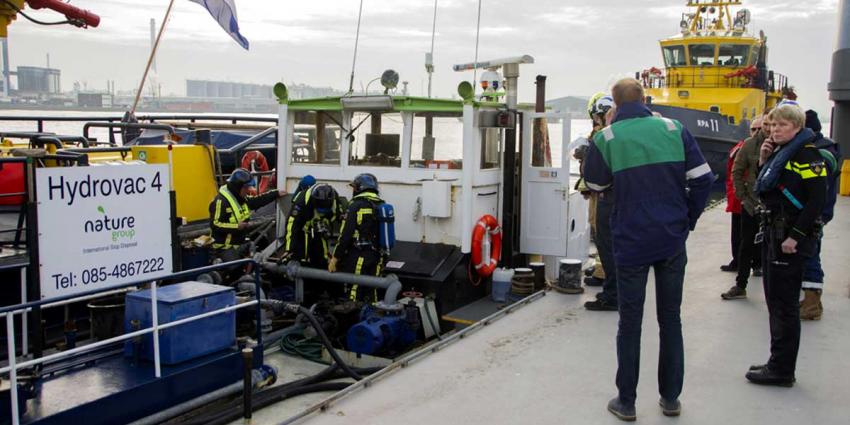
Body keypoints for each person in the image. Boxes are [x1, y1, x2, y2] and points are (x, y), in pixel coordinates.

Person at [584, 78, 713, 420]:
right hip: (671, 238)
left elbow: (595, 183)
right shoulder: (674, 128)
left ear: (614, 104)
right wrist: (687, 219)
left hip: (630, 240)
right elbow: (704, 179)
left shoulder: (607, 137)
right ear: (644, 98)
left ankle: (626, 402)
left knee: (630, 322)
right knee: (670, 318)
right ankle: (670, 398)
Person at [745, 104, 826, 386]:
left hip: (788, 240)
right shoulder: (779, 153)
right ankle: (776, 360)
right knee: (774, 300)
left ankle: (782, 370)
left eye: (781, 126)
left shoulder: (807, 155)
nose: (775, 130)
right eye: (772, 125)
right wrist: (763, 160)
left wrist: (796, 236)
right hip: (773, 235)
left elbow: (815, 201)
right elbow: (766, 188)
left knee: (784, 305)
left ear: (797, 127)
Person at [799, 109, 841, 320]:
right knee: (812, 251)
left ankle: (812, 305)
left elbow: (815, 190)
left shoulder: (820, 155)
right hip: (820, 213)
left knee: (810, 255)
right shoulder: (827, 148)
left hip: (813, 214)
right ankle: (810, 300)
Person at [721, 115, 767, 299]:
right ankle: (741, 283)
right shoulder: (748, 146)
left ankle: (764, 271)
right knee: (745, 242)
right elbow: (735, 171)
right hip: (750, 203)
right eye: (755, 128)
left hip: (774, 204)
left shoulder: (784, 147)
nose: (759, 131)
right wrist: (742, 197)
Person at [328, 173, 387, 302]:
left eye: (354, 188)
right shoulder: (381, 205)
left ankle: (353, 318)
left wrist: (335, 258)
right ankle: (372, 315)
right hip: (377, 256)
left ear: (360, 188)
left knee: (355, 288)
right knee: (372, 288)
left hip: (359, 255)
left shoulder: (355, 205)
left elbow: (346, 235)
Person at [584, 100, 619, 311]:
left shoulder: (605, 138)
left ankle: (611, 292)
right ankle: (611, 285)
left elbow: (596, 179)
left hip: (606, 197)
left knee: (605, 240)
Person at [578, 93, 615, 288]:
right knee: (599, 230)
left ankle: (603, 272)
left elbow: (598, 169)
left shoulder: (603, 136)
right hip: (598, 191)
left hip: (601, 193)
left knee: (601, 231)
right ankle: (602, 268)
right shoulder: (606, 135)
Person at [209, 168, 287, 259]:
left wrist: (275, 194)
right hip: (224, 248)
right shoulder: (220, 202)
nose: (248, 190)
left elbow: (257, 201)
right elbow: (215, 225)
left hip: (238, 243)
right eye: (246, 188)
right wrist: (236, 226)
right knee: (236, 268)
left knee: (262, 242)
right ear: (237, 187)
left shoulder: (241, 198)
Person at [281, 182, 341, 270]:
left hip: (320, 229)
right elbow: (292, 224)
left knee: (322, 256)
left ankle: (322, 270)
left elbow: (338, 214)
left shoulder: (334, 197)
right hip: (303, 230)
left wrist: (326, 223)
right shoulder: (302, 202)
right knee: (298, 254)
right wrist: (289, 249)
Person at [721, 136, 746, 273]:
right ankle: (737, 260)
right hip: (739, 197)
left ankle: (755, 263)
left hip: (747, 197)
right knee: (738, 232)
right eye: (754, 129)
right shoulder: (741, 148)